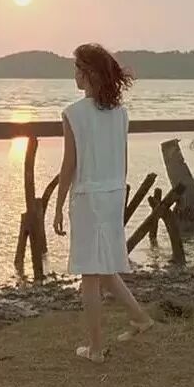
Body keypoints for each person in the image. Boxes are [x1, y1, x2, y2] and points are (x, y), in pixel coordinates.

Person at [52, 43, 154, 363]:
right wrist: (117, 192)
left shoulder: (73, 114)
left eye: (77, 68)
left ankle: (95, 349)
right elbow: (123, 161)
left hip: (88, 196)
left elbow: (69, 165)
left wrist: (58, 204)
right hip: (113, 194)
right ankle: (141, 319)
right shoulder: (120, 114)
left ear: (90, 73)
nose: (74, 75)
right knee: (104, 266)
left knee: (90, 273)